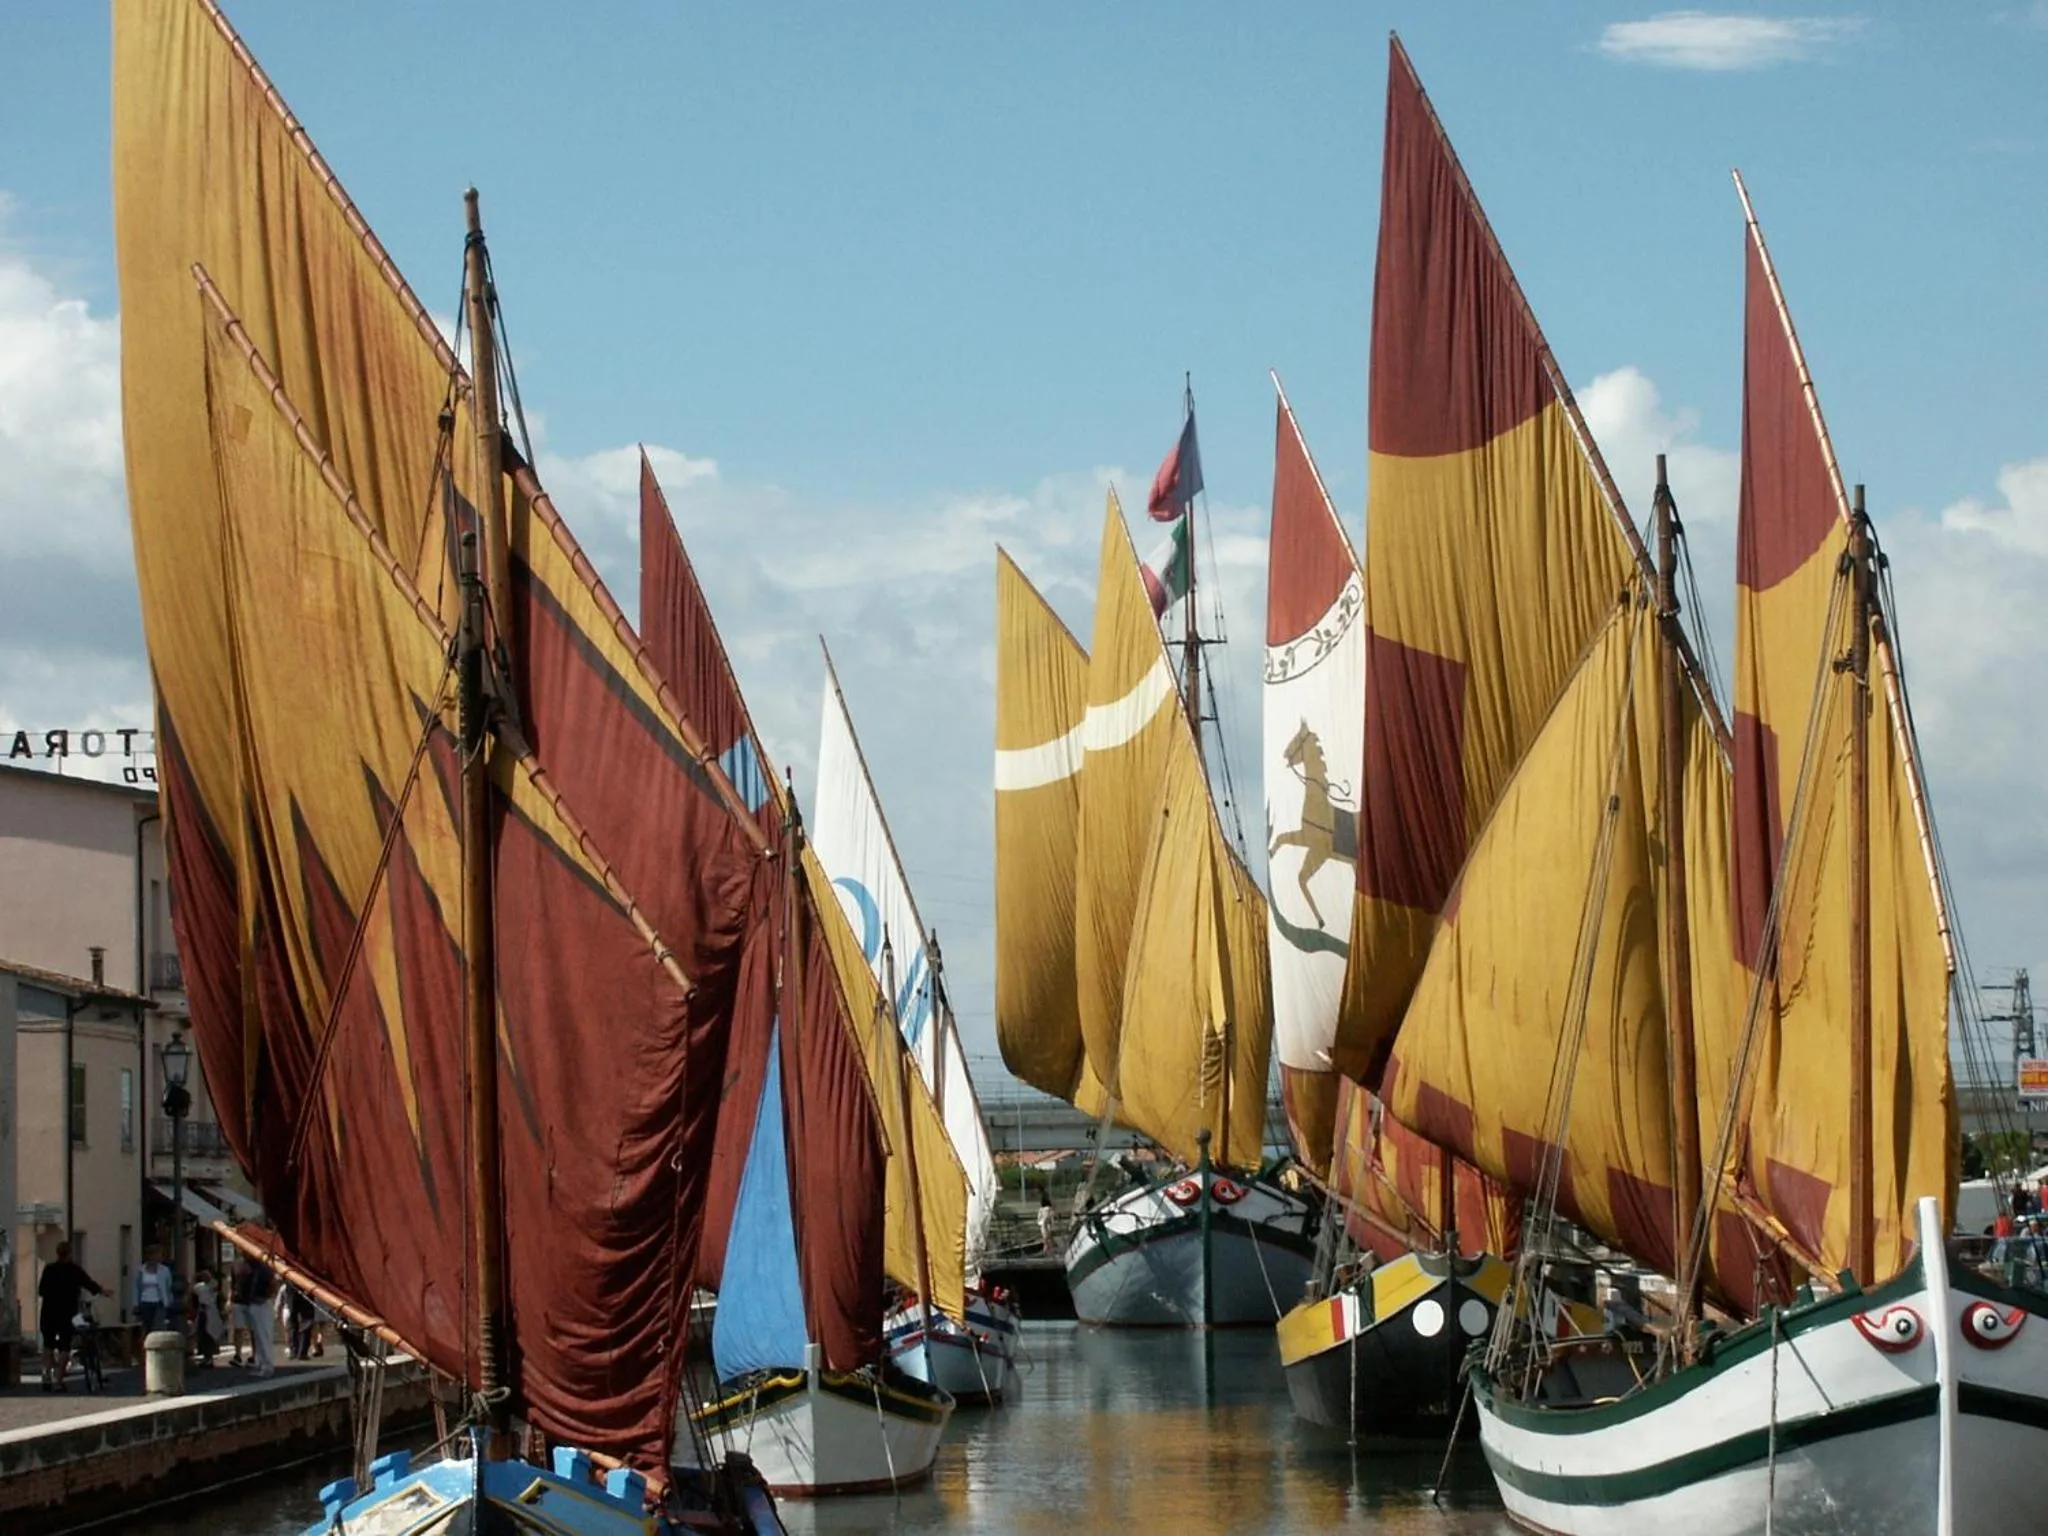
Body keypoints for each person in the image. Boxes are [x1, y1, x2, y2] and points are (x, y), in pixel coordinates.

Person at [37, 1242, 105, 1393]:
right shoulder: (74, 1270)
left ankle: (46, 1375)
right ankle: (58, 1381)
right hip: (67, 1312)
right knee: (64, 1346)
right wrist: (102, 1291)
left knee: (48, 1345)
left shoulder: (49, 1269)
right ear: (69, 1253)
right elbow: (89, 1284)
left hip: (48, 1311)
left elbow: (41, 1291)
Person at [231, 1252, 277, 1378]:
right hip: (255, 1303)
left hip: (260, 1303)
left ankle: (267, 1365)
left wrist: (266, 1296)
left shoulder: (263, 1268)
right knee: (258, 1335)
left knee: (263, 1335)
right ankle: (261, 1363)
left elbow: (273, 1284)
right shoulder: (256, 1267)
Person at [189, 1269, 225, 1369]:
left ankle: (210, 1357)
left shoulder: (213, 1285)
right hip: (202, 1312)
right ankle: (205, 1357)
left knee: (211, 1334)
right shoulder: (199, 1287)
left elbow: (215, 1286)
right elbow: (192, 1289)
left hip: (211, 1311)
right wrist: (194, 1276)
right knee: (202, 1334)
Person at [134, 1247, 174, 1334]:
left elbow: (168, 1287)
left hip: (159, 1302)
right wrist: (136, 1304)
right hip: (145, 1302)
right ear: (150, 1256)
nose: (159, 1257)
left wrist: (169, 1302)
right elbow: (137, 1287)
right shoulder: (141, 1270)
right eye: (157, 1255)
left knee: (158, 1326)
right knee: (146, 1326)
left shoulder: (165, 1270)